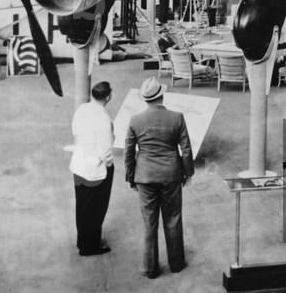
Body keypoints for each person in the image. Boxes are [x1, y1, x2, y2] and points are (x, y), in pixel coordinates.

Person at [125, 76, 194, 278]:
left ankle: (150, 268)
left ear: (145, 99)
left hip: (145, 176)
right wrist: (187, 173)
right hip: (171, 175)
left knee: (149, 222)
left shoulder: (135, 120)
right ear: (162, 96)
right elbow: (186, 149)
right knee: (173, 219)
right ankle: (176, 263)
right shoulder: (177, 117)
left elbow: (129, 152)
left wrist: (131, 177)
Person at [69, 81, 115, 257]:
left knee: (82, 205)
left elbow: (75, 132)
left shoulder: (81, 110)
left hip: (79, 164)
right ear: (108, 97)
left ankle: (82, 241)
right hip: (95, 170)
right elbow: (105, 147)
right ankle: (91, 246)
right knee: (96, 208)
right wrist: (109, 165)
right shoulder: (103, 118)